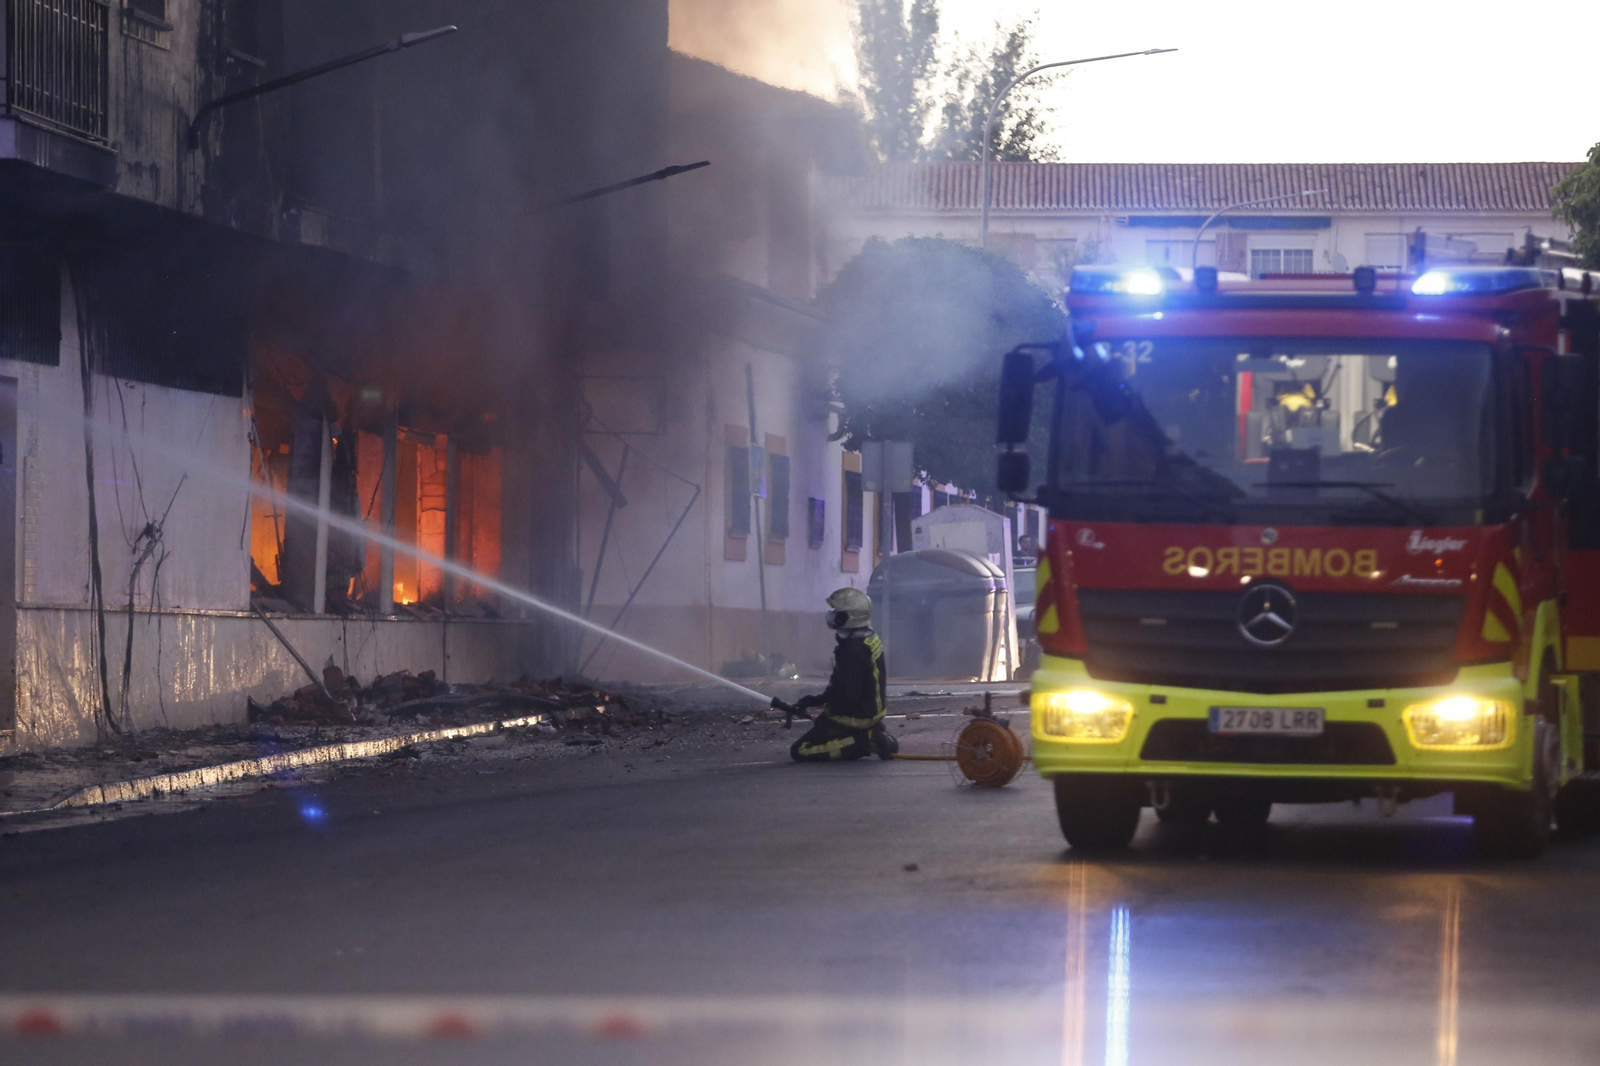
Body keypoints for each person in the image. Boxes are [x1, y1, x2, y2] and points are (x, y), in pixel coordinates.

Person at [787, 587, 897, 762]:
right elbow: (844, 684)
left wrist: (826, 718)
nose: (831, 615)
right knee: (824, 728)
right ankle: (873, 733)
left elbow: (847, 695)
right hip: (873, 712)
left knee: (801, 750)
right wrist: (815, 700)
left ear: (846, 617)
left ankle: (864, 740)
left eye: (836, 611)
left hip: (856, 717)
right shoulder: (868, 638)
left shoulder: (851, 651)